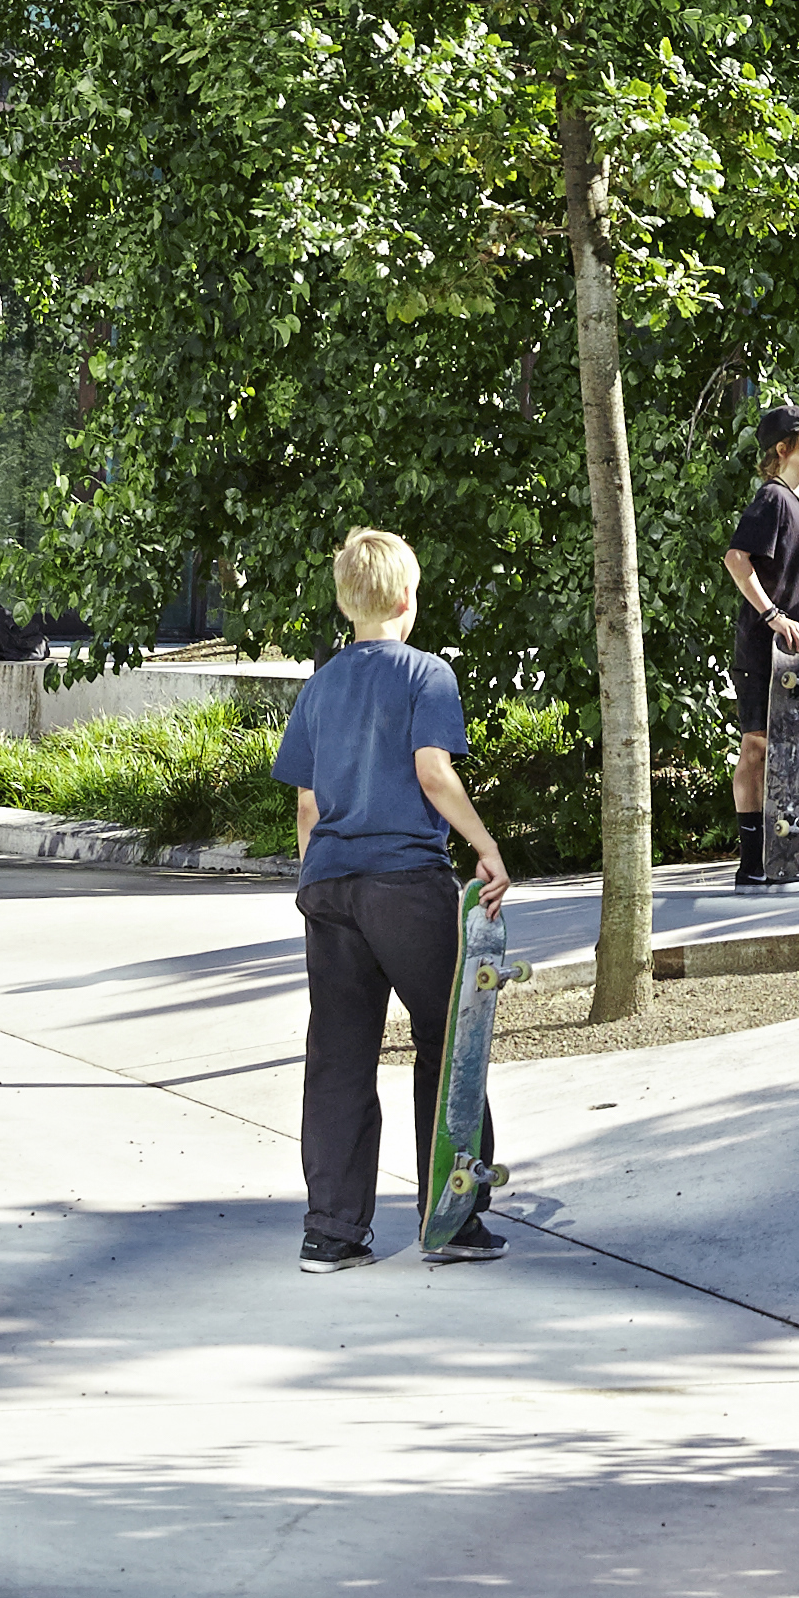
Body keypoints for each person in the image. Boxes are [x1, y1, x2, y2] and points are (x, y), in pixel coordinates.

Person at [274, 526, 513, 1275]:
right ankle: (453, 1214)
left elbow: (309, 806)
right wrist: (486, 846)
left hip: (332, 888)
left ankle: (332, 1232)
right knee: (450, 1044)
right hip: (404, 884)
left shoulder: (320, 684)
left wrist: (315, 883)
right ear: (408, 596)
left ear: (349, 600)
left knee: (338, 1055)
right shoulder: (426, 673)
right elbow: (433, 773)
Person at [721, 401, 799, 887]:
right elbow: (736, 559)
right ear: (783, 450)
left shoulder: (798, 504)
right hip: (764, 650)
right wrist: (771, 615)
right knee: (758, 746)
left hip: (797, 657)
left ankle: (779, 860)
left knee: (786, 752)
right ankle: (753, 865)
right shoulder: (771, 499)